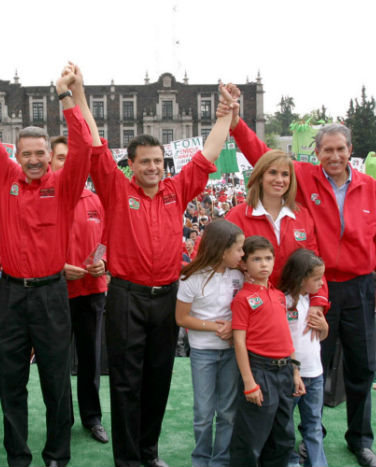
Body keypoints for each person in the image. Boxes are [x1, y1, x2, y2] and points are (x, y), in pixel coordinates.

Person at [221, 87, 376, 467]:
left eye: (340, 149)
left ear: (351, 150)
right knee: (309, 362)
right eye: (326, 150)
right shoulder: (303, 178)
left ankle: (360, 438)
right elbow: (261, 155)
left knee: (363, 364)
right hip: (314, 288)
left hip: (361, 286)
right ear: (316, 154)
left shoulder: (374, 189)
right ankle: (309, 436)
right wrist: (236, 122)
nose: (334, 156)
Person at [87, 79, 235, 467]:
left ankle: (148, 454)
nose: (153, 167)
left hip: (167, 298)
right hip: (125, 297)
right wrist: (79, 94)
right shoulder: (117, 191)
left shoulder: (176, 190)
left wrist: (226, 115)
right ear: (131, 165)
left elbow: (208, 153)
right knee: (124, 383)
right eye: (145, 161)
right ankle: (128, 460)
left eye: (158, 160)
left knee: (158, 380)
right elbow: (95, 146)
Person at [0, 59, 91, 467]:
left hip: (53, 294)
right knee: (11, 381)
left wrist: (66, 96)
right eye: (28, 154)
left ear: (50, 156)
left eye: (41, 153)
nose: (35, 160)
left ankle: (57, 455)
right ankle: (17, 456)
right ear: (16, 155)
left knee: (56, 382)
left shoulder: (66, 183)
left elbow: (84, 144)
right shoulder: (7, 178)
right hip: (12, 295)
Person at [49, 135, 109, 444]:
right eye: (62, 158)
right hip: (56, 292)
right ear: (51, 162)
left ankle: (92, 418)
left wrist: (101, 261)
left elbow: (105, 238)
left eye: (76, 159)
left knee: (90, 359)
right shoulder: (46, 197)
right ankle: (62, 421)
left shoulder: (95, 200)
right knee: (57, 362)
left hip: (92, 291)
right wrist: (58, 267)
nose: (70, 164)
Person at [229, 236, 304, 467]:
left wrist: (295, 371)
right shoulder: (243, 299)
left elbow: (285, 337)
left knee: (283, 437)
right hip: (260, 371)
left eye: (268, 258)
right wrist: (249, 382)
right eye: (257, 259)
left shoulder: (279, 296)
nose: (264, 264)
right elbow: (239, 342)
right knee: (251, 437)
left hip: (284, 372)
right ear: (244, 264)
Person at [175, 219, 245, 467]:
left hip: (230, 353)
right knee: (204, 413)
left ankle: (221, 460)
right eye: (238, 249)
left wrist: (233, 325)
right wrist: (215, 327)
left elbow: (246, 307)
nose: (242, 254)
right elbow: (181, 318)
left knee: (227, 412)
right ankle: (201, 459)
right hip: (203, 353)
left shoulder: (239, 275)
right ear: (222, 250)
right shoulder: (191, 277)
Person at [225, 150, 328, 312]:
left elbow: (314, 264)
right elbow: (220, 261)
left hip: (296, 308)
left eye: (285, 174)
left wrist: (318, 302)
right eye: (273, 172)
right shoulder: (238, 216)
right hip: (253, 309)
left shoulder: (303, 216)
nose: (279, 180)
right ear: (259, 177)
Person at [278, 248, 329, 467]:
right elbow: (281, 340)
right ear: (301, 278)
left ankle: (317, 463)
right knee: (286, 425)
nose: (320, 284)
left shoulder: (311, 302)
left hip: (315, 373)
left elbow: (319, 336)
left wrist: (325, 327)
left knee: (314, 425)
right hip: (292, 374)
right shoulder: (283, 302)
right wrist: (293, 369)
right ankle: (290, 462)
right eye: (316, 279)